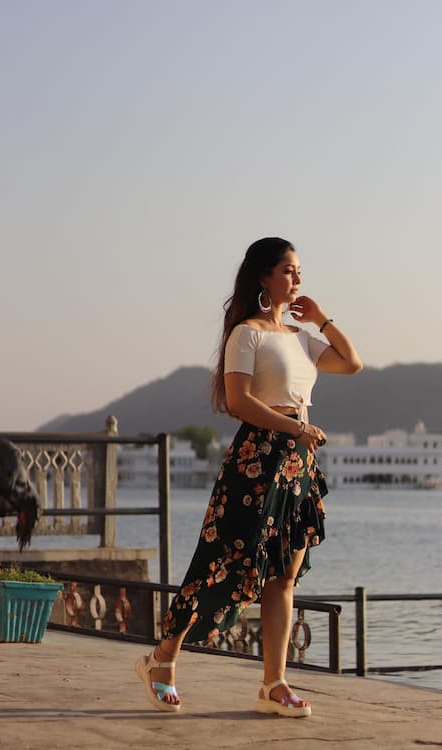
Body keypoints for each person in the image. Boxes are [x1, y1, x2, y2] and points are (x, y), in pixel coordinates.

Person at [136, 237, 362, 717]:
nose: (296, 279)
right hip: (256, 461)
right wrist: (295, 426)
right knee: (219, 564)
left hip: (298, 466)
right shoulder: (247, 334)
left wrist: (321, 318)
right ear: (263, 276)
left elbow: (352, 362)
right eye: (287, 270)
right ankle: (162, 660)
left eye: (299, 271)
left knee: (285, 576)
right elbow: (238, 402)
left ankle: (274, 684)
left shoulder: (302, 337)